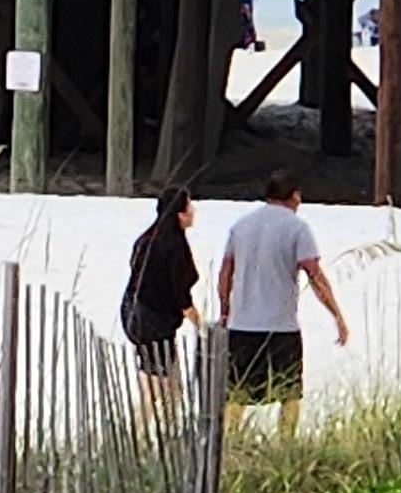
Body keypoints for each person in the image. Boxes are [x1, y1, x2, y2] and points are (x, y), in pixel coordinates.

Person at [216, 169, 347, 431]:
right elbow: (314, 275)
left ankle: (231, 444)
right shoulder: (298, 228)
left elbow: (225, 273)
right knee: (289, 391)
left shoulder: (241, 226)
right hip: (281, 326)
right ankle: (286, 443)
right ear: (295, 197)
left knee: (237, 390)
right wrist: (337, 315)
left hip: (242, 324)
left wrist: (225, 310)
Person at [118, 188, 200, 401]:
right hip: (156, 323)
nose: (193, 211)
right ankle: (153, 428)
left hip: (137, 316)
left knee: (156, 382)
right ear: (179, 214)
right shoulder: (174, 246)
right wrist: (201, 323)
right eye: (189, 206)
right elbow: (181, 294)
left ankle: (147, 426)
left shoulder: (146, 239)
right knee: (163, 391)